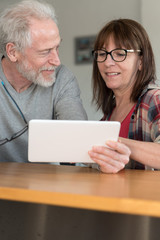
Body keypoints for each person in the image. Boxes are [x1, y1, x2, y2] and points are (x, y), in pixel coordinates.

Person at [0, 0, 87, 162]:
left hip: (44, 182)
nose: (56, 61)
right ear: (12, 52)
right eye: (45, 52)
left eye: (56, 48)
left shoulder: (62, 78)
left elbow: (78, 136)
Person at [88, 18, 160, 173]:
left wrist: (112, 143)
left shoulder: (155, 99)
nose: (108, 62)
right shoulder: (108, 114)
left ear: (141, 61)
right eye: (102, 54)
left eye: (120, 54)